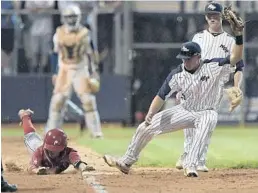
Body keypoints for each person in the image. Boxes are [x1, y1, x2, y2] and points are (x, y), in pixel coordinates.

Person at [103, 20, 244, 177]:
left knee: (208, 119)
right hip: (185, 110)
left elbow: (236, 57)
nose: (185, 61)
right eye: (183, 58)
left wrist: (238, 36)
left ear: (198, 57)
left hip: (206, 111)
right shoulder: (177, 74)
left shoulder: (212, 65)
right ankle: (127, 161)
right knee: (146, 126)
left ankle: (190, 164)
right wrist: (151, 113)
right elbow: (161, 95)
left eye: (188, 58)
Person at [176, 1, 244, 172]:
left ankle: (200, 158)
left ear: (221, 16)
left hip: (215, 86)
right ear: (206, 17)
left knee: (207, 123)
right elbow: (187, 61)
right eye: (209, 15)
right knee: (190, 120)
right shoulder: (197, 38)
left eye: (215, 15)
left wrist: (237, 87)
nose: (212, 18)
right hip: (195, 82)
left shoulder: (230, 41)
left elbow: (239, 67)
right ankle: (187, 154)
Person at [45, 4, 103, 138]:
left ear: (79, 17)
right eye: (69, 17)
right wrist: (55, 72)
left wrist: (94, 70)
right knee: (58, 100)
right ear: (64, 18)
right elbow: (55, 54)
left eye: (73, 17)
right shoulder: (58, 33)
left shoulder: (85, 33)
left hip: (80, 68)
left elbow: (91, 54)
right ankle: (52, 132)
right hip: (64, 68)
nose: (71, 20)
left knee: (88, 100)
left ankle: (96, 132)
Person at [19, 109, 95, 175]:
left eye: (57, 149)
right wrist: (38, 170)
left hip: (47, 149)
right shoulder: (39, 152)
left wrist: (83, 167)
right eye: (51, 149)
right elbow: (31, 168)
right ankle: (25, 116)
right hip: (37, 147)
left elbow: (78, 163)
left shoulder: (70, 153)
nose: (54, 152)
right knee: (30, 135)